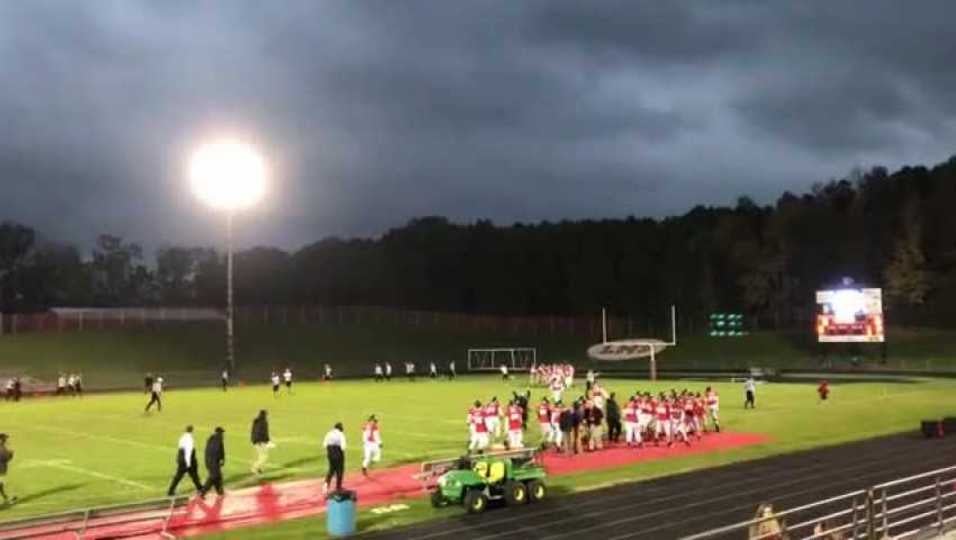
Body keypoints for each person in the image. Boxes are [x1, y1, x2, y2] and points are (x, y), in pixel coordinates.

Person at [167, 425, 202, 497]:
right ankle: (200, 488)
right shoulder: (190, 438)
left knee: (178, 476)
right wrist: (188, 463)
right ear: (192, 430)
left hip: (181, 458)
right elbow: (189, 451)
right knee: (193, 475)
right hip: (187, 460)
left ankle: (171, 491)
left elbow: (180, 449)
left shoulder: (182, 437)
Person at [201, 427, 226, 498]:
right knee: (213, 477)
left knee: (218, 477)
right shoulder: (219, 440)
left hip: (208, 461)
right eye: (222, 433)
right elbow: (219, 451)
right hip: (214, 462)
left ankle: (220, 492)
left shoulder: (210, 439)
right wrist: (221, 460)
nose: (223, 435)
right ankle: (202, 493)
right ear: (219, 433)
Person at [322, 422, 346, 493]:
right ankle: (338, 487)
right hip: (338, 452)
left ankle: (326, 485)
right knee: (339, 470)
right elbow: (343, 446)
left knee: (331, 469)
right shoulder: (341, 434)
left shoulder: (329, 433)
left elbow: (324, 444)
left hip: (330, 452)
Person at [250, 410, 271, 474]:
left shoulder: (256, 421)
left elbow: (253, 431)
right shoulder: (263, 422)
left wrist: (254, 440)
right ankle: (254, 468)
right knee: (264, 456)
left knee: (261, 456)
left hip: (256, 440)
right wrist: (267, 441)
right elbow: (263, 432)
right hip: (260, 441)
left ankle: (258, 468)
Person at [0, 434, 16, 506]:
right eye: (5, 439)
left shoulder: (2, 448)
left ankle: (6, 498)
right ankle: (7, 498)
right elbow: (5, 458)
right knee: (1, 484)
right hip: (1, 469)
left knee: (1, 485)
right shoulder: (2, 448)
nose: (6, 440)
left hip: (2, 469)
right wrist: (10, 454)